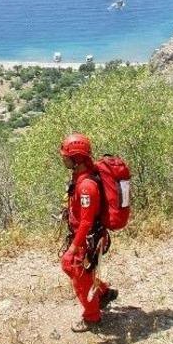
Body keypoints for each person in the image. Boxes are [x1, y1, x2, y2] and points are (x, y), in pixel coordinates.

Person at [59, 132, 118, 332]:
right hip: (83, 236)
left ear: (77, 159)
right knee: (79, 271)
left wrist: (73, 249)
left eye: (67, 157)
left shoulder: (86, 186)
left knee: (77, 272)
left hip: (87, 238)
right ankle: (103, 292)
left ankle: (92, 316)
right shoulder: (80, 178)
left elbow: (86, 221)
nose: (64, 160)